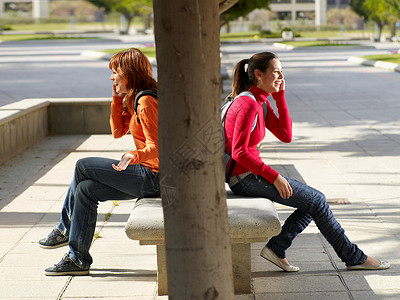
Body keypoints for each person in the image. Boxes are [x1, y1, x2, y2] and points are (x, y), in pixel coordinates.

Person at [224, 52, 390, 272]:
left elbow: (285, 135)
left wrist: (280, 96)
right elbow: (240, 152)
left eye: (281, 70)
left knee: (314, 200)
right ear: (258, 74)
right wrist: (276, 178)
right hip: (243, 178)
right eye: (275, 71)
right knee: (317, 201)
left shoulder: (259, 102)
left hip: (248, 174)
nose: (281, 75)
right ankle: (352, 257)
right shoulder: (248, 105)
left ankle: (278, 247)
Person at [39, 48, 160, 276]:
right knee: (85, 190)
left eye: (115, 72)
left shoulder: (146, 101)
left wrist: (133, 155)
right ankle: (78, 259)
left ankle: (64, 229)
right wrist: (116, 99)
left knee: (83, 165)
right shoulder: (135, 97)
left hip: (154, 177)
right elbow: (117, 131)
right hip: (146, 173)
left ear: (129, 72)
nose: (111, 77)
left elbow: (157, 146)